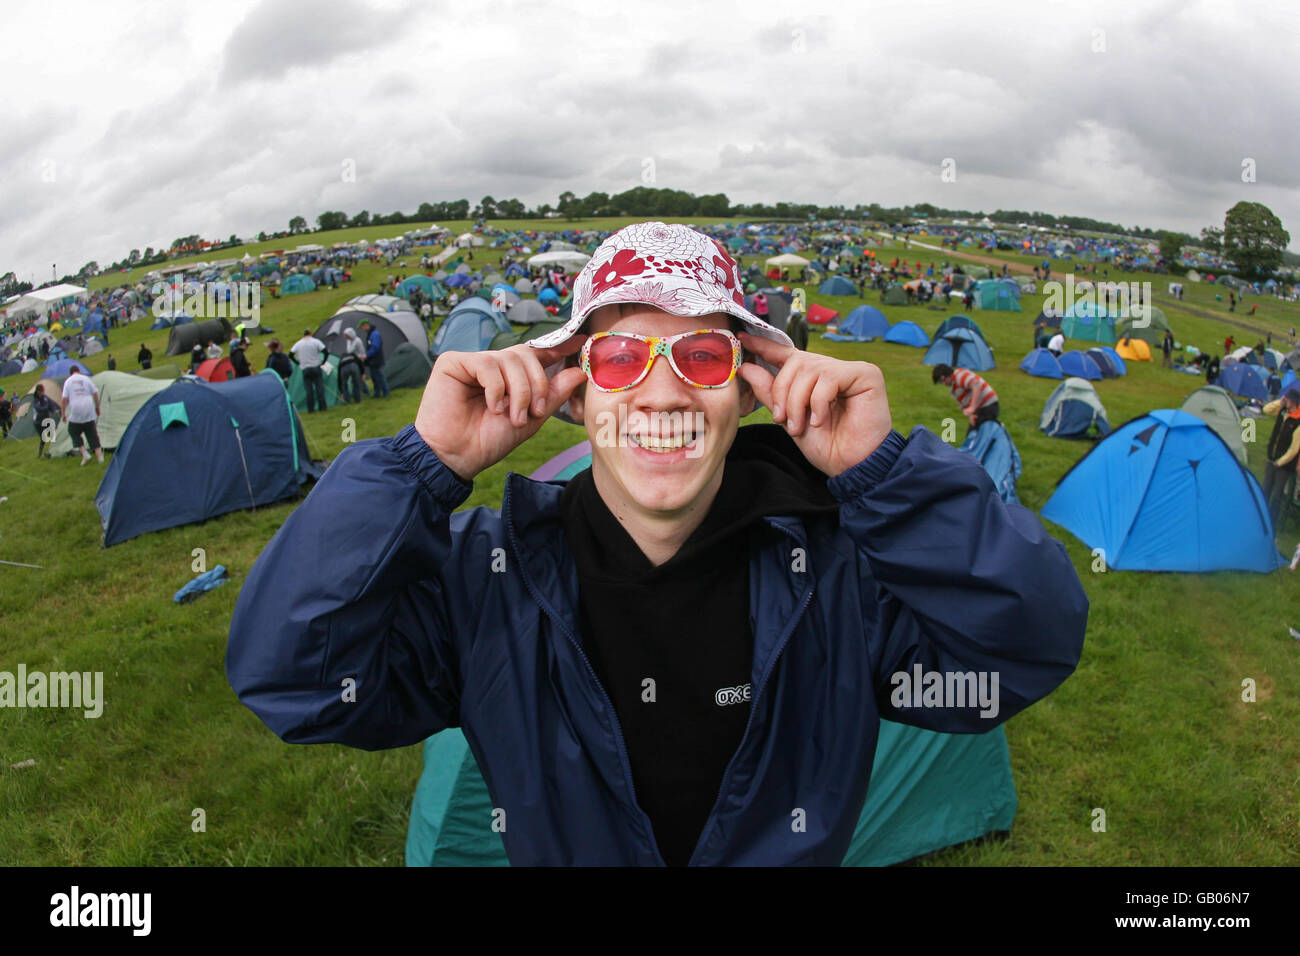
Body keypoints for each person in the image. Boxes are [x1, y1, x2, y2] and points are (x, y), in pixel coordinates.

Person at [227, 221, 1087, 867]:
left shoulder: (838, 578)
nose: (660, 390)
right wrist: (422, 467)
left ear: (749, 392)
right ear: (573, 397)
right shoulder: (486, 580)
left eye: (703, 357)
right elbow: (293, 678)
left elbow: (1028, 644)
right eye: (620, 359)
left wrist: (884, 475)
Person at [1262, 388, 1300, 528]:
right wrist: (1280, 402)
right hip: (1272, 458)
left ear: (1294, 402)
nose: (1285, 401)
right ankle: (1261, 519)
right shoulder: (1282, 411)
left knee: (1277, 496)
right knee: (1265, 489)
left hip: (1283, 466)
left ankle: (1272, 524)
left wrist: (1280, 462)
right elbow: (1266, 409)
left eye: (1288, 399)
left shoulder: (1298, 421)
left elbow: (1294, 449)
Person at [933, 363, 999, 433]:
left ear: (948, 375)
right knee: (972, 434)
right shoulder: (954, 388)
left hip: (988, 405)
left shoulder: (959, 376)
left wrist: (972, 407)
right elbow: (964, 404)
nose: (944, 383)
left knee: (983, 434)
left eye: (943, 380)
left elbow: (976, 384)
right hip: (980, 409)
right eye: (941, 382)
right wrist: (971, 415)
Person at [61, 366, 104, 465]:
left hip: (76, 410)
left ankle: (85, 454)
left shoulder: (68, 381)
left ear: (71, 373)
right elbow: (95, 393)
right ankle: (100, 458)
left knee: (73, 431)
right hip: (88, 408)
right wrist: (97, 407)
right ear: (78, 371)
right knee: (92, 433)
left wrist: (63, 413)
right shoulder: (86, 379)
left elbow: (64, 399)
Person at [291, 328, 328, 412]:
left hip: (305, 368)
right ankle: (322, 407)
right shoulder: (316, 341)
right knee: (319, 388)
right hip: (316, 366)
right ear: (310, 334)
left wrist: (297, 362)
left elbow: (291, 354)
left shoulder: (299, 343)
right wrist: (323, 362)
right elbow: (325, 351)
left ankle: (310, 409)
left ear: (304, 335)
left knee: (309, 390)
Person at [361, 321, 390, 398]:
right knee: (374, 377)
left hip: (376, 359)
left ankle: (386, 392)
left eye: (362, 327)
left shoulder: (375, 334)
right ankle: (377, 393)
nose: (362, 329)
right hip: (372, 360)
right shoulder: (370, 334)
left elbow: (375, 347)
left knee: (379, 376)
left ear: (366, 325)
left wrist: (367, 354)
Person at [338, 327, 366, 404]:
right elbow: (349, 351)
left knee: (357, 380)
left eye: (346, 335)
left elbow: (361, 352)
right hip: (353, 361)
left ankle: (363, 393)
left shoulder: (357, 341)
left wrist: (360, 361)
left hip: (358, 360)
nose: (345, 337)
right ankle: (357, 397)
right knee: (356, 380)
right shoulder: (348, 341)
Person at [31, 384, 59, 458]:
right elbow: (39, 409)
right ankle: (39, 454)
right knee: (44, 438)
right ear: (38, 391)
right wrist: (47, 407)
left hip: (46, 419)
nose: (43, 392)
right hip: (38, 422)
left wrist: (54, 410)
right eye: (42, 391)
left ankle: (54, 450)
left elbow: (51, 404)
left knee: (53, 435)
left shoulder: (45, 398)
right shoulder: (35, 400)